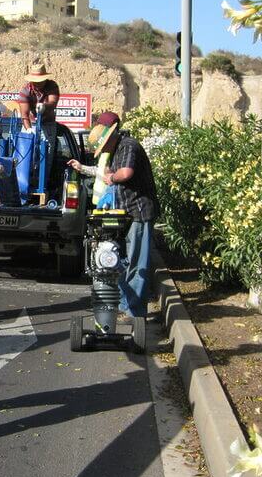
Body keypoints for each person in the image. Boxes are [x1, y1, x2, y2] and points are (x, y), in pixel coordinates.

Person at [70, 111, 160, 320]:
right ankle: (125, 304)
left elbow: (125, 174)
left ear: (110, 137)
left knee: (138, 263)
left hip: (139, 212)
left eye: (103, 146)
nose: (103, 151)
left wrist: (112, 176)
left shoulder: (128, 145)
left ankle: (134, 312)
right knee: (120, 262)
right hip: (126, 213)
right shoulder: (118, 149)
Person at [17, 62, 60, 180]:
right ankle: (25, 180)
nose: (38, 83)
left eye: (40, 80)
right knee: (25, 153)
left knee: (47, 153)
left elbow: (53, 102)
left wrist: (45, 107)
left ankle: (43, 181)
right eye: (35, 81)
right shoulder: (25, 91)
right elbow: (24, 115)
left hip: (48, 124)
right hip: (30, 124)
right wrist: (29, 129)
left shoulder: (52, 86)